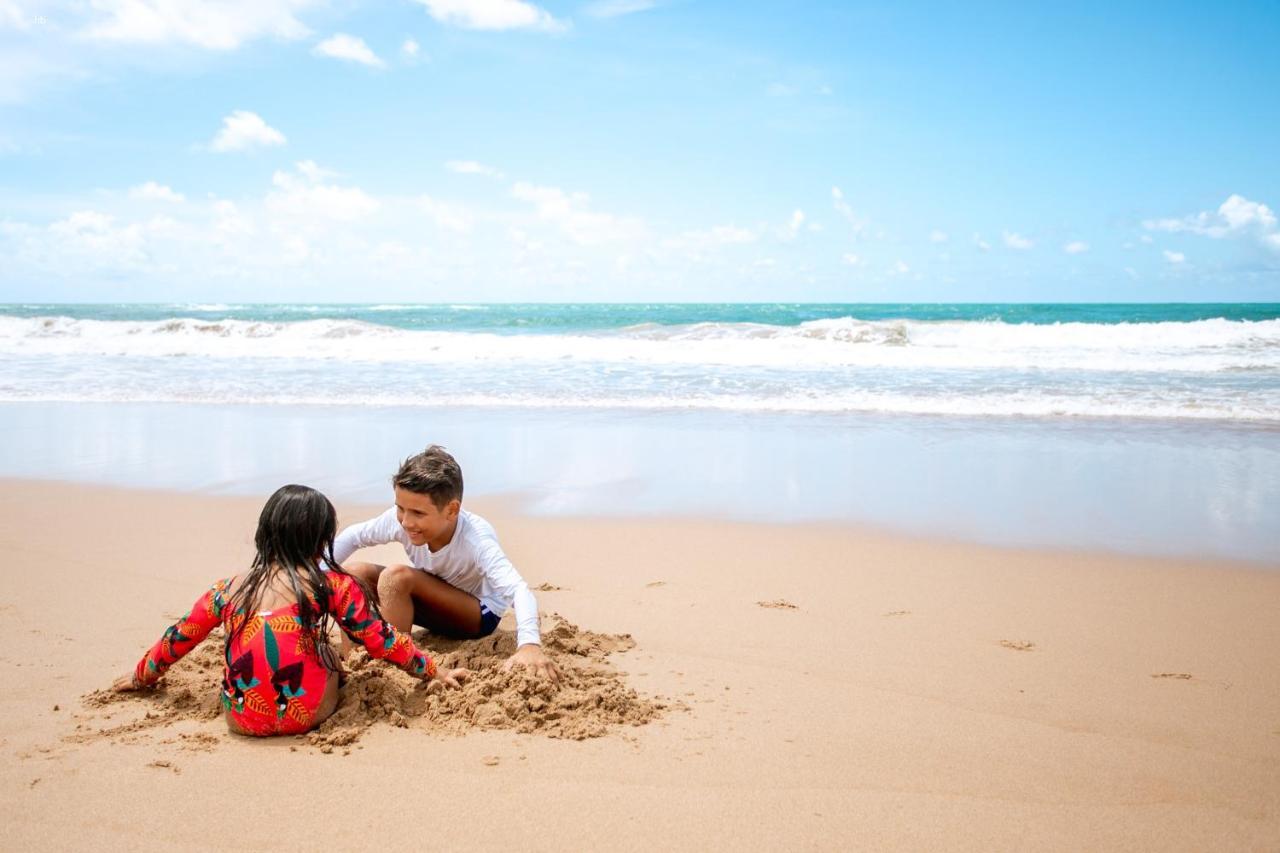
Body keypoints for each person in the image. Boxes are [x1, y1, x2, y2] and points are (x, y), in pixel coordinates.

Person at [112, 484, 467, 736]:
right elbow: (380, 639)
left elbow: (181, 636)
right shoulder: (332, 586)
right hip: (308, 713)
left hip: (241, 720)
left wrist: (142, 675)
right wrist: (432, 670)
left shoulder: (228, 589)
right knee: (325, 650)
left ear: (264, 535)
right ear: (320, 541)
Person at [336, 445, 561, 682]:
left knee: (396, 577)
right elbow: (353, 536)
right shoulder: (400, 520)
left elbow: (518, 590)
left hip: (477, 614)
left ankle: (393, 666)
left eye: (418, 513)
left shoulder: (476, 538)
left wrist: (529, 644)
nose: (406, 522)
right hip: (433, 600)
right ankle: (356, 661)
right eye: (400, 508)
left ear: (451, 510)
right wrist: (311, 577)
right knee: (351, 574)